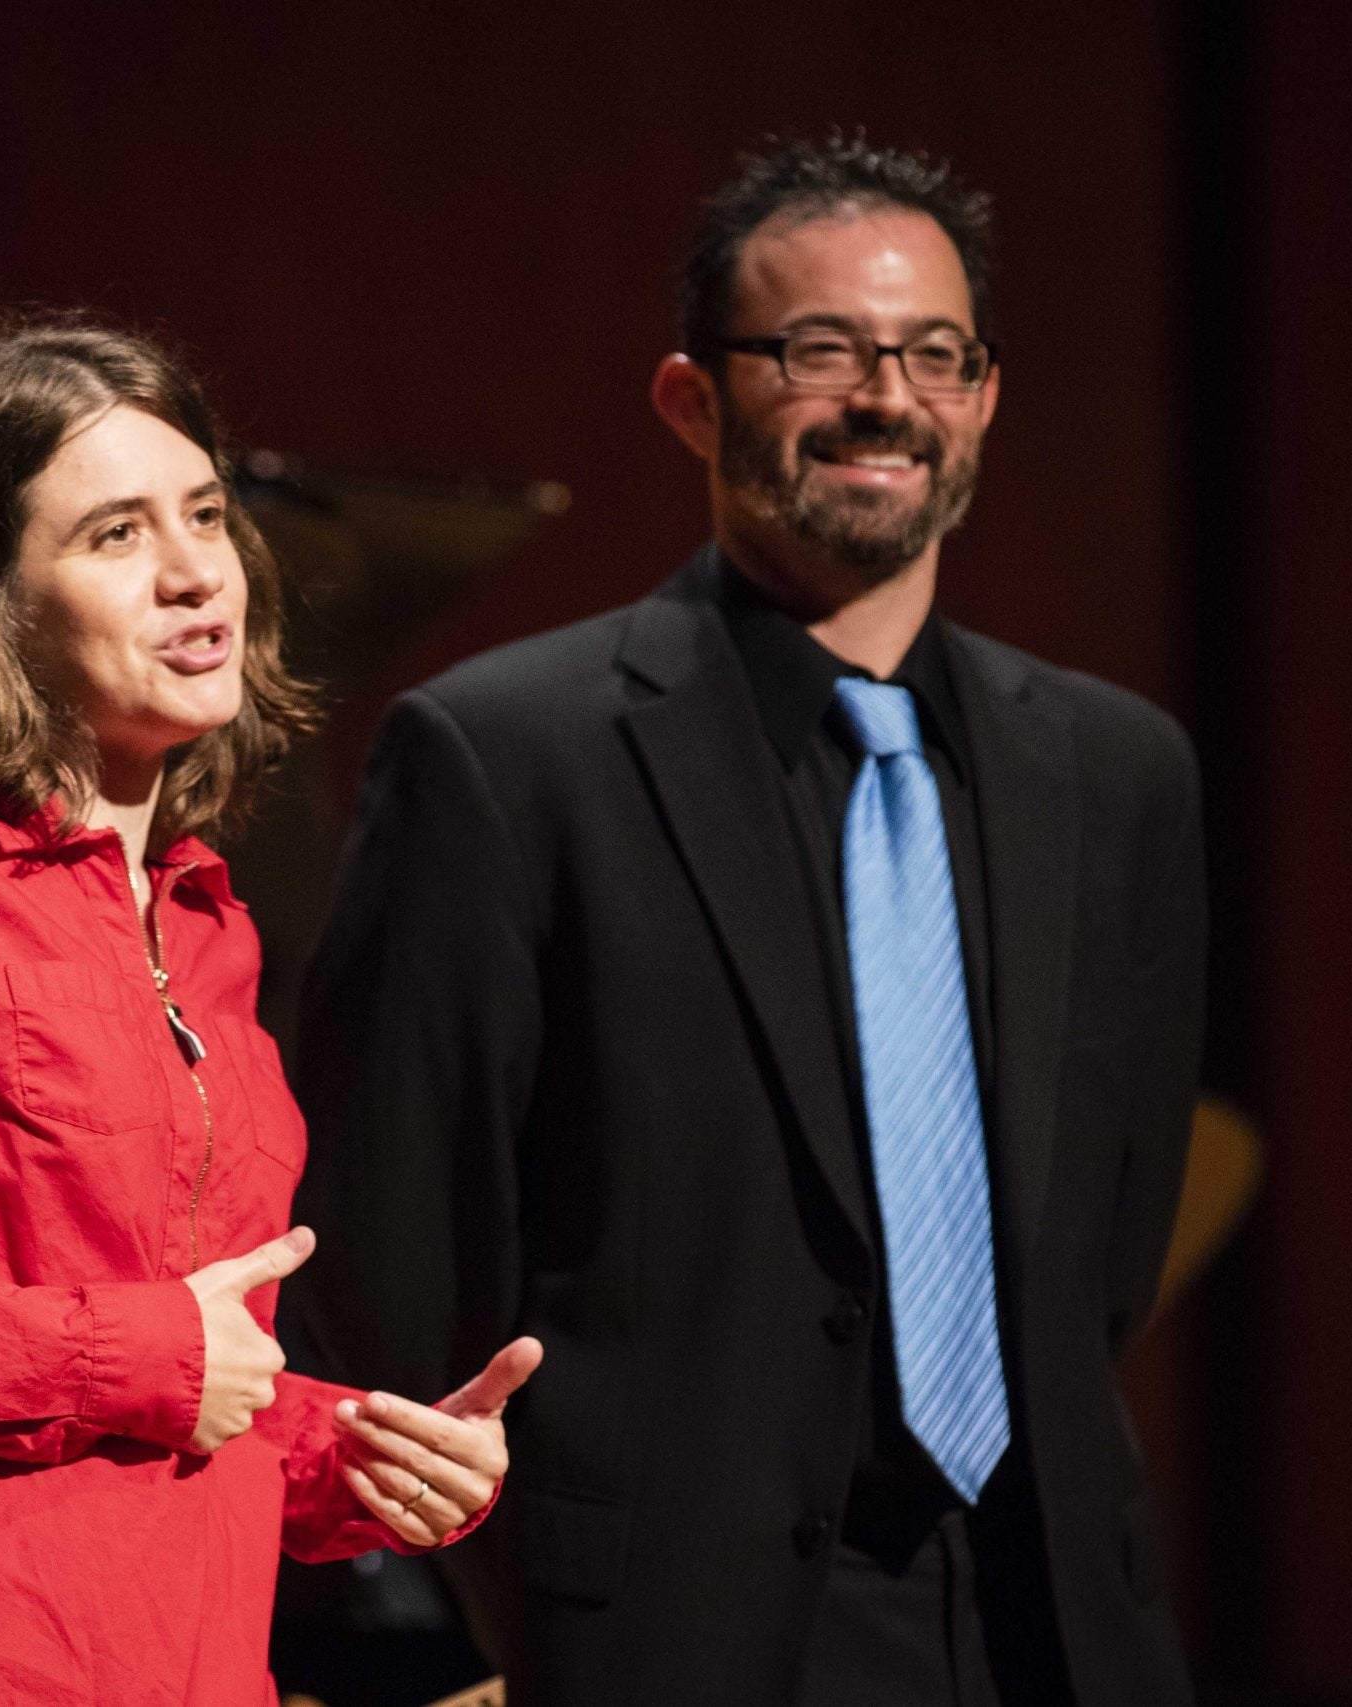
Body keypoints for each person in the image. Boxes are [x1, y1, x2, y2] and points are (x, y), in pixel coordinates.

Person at [294, 136, 1203, 1706]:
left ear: (985, 396)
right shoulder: (507, 757)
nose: (885, 396)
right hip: (669, 1636)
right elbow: (398, 1273)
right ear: (692, 399)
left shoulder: (1121, 772)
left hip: (1056, 1619)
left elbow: (1109, 1249)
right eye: (819, 350)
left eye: (935, 353)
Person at [0, 311, 541, 1707]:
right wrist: (147, 1354)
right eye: (116, 535)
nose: (201, 573)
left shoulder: (202, 916)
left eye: (204, 514)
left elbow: (187, 1370)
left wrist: (354, 1455)